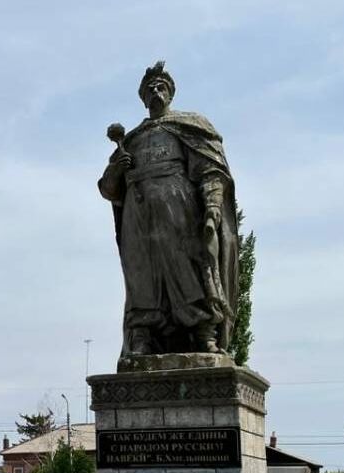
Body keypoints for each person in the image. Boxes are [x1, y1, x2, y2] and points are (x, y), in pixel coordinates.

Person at [98, 62, 239, 358]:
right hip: (139, 220)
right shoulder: (131, 140)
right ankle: (143, 338)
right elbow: (109, 190)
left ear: (171, 93)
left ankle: (203, 335)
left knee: (187, 271)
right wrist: (115, 170)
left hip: (179, 212)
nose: (155, 91)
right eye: (149, 88)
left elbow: (210, 171)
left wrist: (212, 208)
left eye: (161, 86)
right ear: (142, 97)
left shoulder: (188, 127)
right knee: (142, 278)